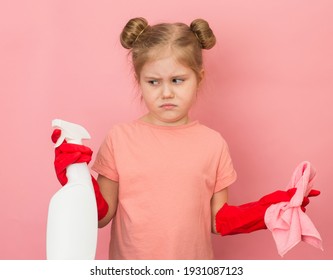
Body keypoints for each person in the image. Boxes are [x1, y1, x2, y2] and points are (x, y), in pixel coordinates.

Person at [51, 17, 319, 260]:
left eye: (177, 80)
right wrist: (76, 174)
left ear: (198, 78)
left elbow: (217, 221)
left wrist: (268, 211)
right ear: (139, 80)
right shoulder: (119, 138)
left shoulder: (213, 144)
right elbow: (102, 216)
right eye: (153, 82)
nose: (166, 92)